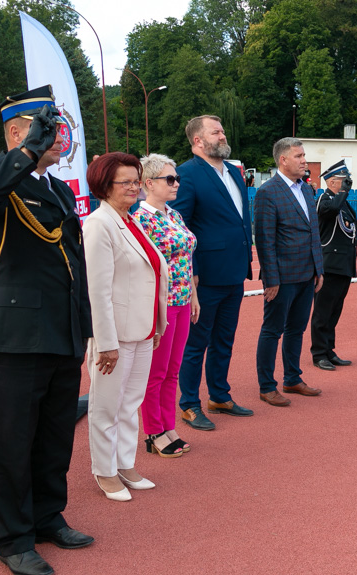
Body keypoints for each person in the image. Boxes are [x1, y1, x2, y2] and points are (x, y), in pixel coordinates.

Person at [0, 86, 94, 575]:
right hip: (14, 338)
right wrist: (27, 151)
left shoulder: (57, 190)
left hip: (60, 334)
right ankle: (14, 538)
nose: (58, 139)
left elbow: (72, 263)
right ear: (18, 133)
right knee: (14, 442)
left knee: (55, 435)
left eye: (55, 131)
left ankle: (46, 517)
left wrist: (84, 326)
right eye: (47, 130)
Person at [84, 152, 168, 501]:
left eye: (136, 180)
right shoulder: (98, 224)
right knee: (106, 405)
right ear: (105, 185)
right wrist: (106, 342)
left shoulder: (131, 221)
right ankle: (104, 470)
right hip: (115, 335)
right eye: (126, 182)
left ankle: (124, 463)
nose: (135, 187)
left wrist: (157, 323)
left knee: (130, 401)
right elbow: (98, 289)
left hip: (143, 330)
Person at [170, 115, 254, 431]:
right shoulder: (186, 175)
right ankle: (189, 404)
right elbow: (181, 227)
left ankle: (219, 395)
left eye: (222, 129)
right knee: (196, 343)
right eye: (215, 131)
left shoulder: (233, 171)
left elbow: (241, 219)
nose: (222, 135)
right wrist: (191, 274)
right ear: (198, 141)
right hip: (204, 276)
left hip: (235, 272)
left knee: (225, 340)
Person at [134, 154, 197, 458]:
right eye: (169, 179)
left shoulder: (174, 214)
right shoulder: (140, 220)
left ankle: (168, 425)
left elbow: (186, 257)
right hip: (159, 306)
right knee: (155, 372)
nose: (176, 184)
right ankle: (153, 431)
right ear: (148, 184)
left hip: (183, 301)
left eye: (177, 179)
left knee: (173, 370)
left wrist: (194, 295)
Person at [254, 137, 323, 406]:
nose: (304, 160)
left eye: (304, 155)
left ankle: (292, 378)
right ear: (283, 160)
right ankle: (266, 385)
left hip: (307, 275)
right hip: (281, 278)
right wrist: (271, 279)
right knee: (273, 331)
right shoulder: (267, 192)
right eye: (299, 156)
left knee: (297, 329)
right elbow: (264, 239)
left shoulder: (306, 190)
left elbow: (313, 232)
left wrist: (319, 269)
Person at [310, 159, 357, 371]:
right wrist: (342, 193)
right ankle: (319, 353)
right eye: (343, 181)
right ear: (332, 182)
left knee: (335, 310)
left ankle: (329, 350)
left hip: (343, 264)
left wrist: (343, 194)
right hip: (329, 264)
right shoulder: (324, 199)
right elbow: (330, 211)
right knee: (323, 311)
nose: (347, 184)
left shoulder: (342, 201)